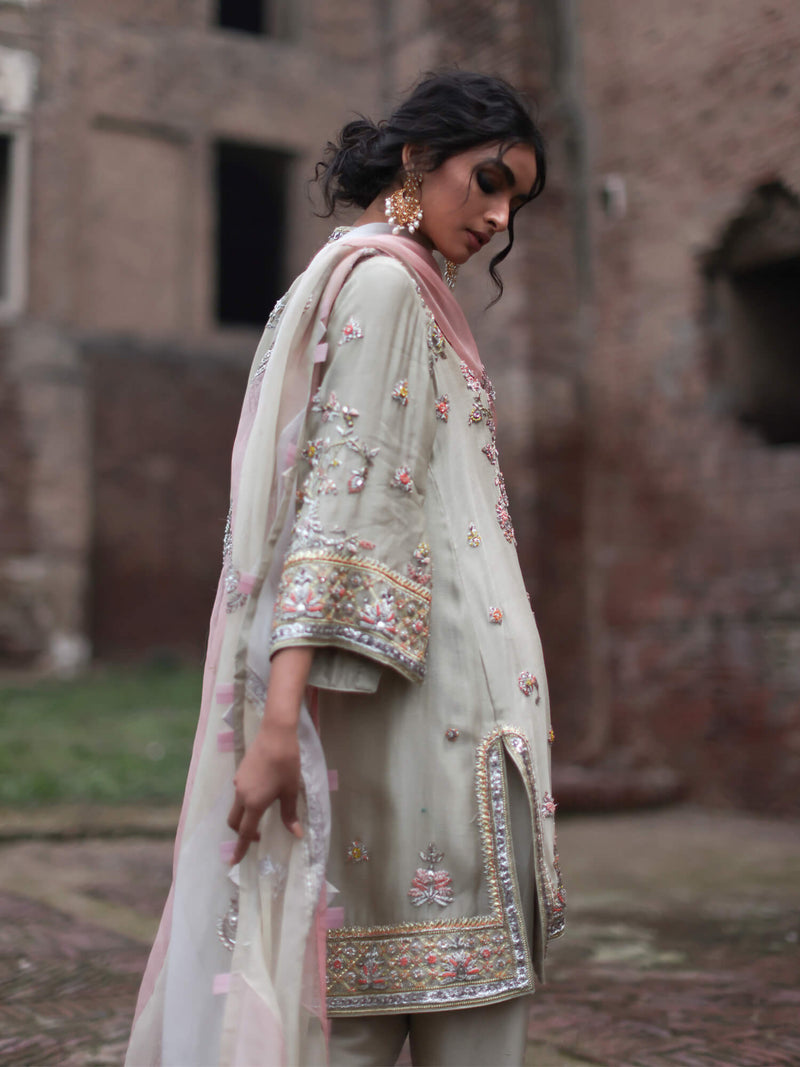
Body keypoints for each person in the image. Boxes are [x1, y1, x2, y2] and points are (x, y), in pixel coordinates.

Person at [126, 70, 565, 1067]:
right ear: (417, 159)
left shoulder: (345, 277)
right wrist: (278, 723)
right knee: (430, 1013)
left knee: (349, 1007)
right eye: (488, 181)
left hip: (408, 717)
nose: (500, 217)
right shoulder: (386, 283)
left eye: (517, 200)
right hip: (434, 726)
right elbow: (343, 503)